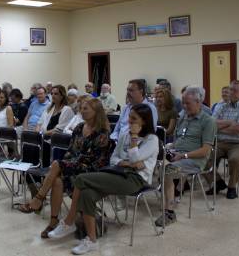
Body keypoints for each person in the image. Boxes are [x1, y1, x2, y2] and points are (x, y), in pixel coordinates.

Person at [46, 104, 158, 255]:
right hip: (116, 172)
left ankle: (69, 221)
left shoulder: (152, 139)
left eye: (134, 118)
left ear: (144, 121)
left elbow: (135, 158)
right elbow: (114, 159)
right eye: (129, 117)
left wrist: (134, 139)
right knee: (87, 194)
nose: (129, 121)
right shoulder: (124, 134)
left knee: (81, 179)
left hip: (135, 180)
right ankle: (91, 241)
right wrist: (129, 163)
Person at [17, 99, 111, 240]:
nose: (82, 111)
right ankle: (53, 221)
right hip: (73, 165)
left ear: (96, 112)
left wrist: (65, 165)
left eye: (86, 108)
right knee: (57, 181)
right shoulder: (79, 127)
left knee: (56, 164)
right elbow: (70, 151)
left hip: (91, 170)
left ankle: (38, 200)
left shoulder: (102, 133)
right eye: (81, 108)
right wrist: (67, 164)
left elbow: (93, 160)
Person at [156, 86, 216, 226]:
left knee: (167, 171)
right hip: (178, 154)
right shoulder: (183, 116)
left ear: (199, 102)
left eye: (188, 103)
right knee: (153, 161)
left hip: (195, 160)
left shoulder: (208, 121)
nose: (184, 106)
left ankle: (169, 213)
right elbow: (178, 139)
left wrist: (183, 155)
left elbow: (206, 151)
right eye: (183, 102)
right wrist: (171, 147)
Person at [205, 80, 239, 199]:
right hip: (220, 142)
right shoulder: (222, 106)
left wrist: (219, 128)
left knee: (236, 159)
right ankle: (218, 182)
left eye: (235, 90)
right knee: (202, 155)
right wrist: (230, 123)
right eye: (230, 89)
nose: (231, 92)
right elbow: (210, 124)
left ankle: (232, 186)